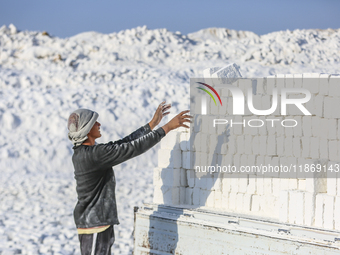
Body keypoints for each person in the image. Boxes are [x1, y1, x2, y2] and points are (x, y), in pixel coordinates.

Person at [67, 101, 192, 255]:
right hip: (94, 225)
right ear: (86, 128)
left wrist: (152, 124)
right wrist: (166, 128)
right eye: (94, 122)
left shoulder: (87, 153)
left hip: (97, 224)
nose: (99, 124)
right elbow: (131, 148)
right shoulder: (94, 155)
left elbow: (122, 143)